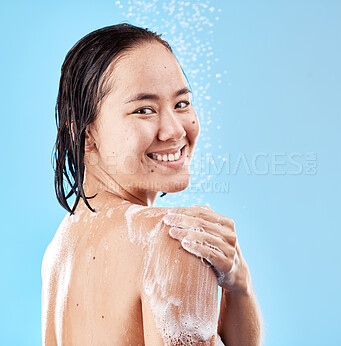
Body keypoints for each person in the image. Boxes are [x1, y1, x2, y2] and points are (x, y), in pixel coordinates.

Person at [41, 23, 263, 345]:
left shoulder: (58, 252)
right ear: (85, 133)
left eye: (182, 104)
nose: (174, 130)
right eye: (144, 110)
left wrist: (238, 288)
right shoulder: (173, 242)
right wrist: (242, 288)